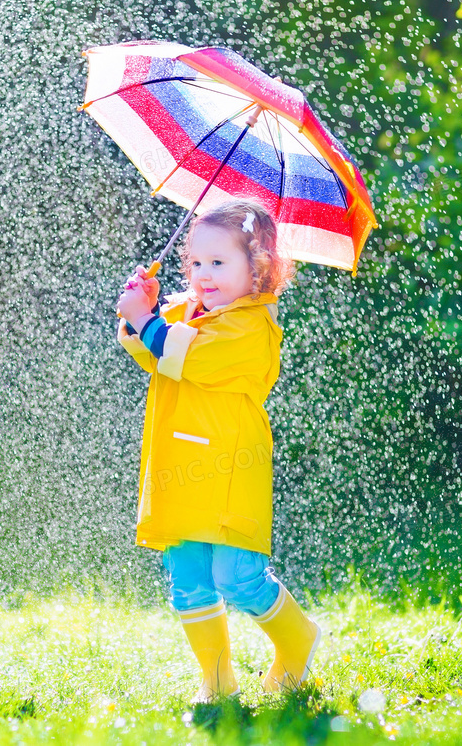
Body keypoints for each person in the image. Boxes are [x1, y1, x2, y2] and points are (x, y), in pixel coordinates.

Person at [115, 198, 319, 703]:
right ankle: (216, 677)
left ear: (260, 268)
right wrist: (141, 308)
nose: (204, 275)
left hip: (231, 467)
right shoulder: (190, 309)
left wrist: (148, 321)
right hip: (181, 465)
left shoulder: (253, 326)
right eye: (196, 262)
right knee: (187, 577)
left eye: (219, 263)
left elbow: (185, 357)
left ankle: (298, 640)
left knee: (237, 576)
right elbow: (146, 349)